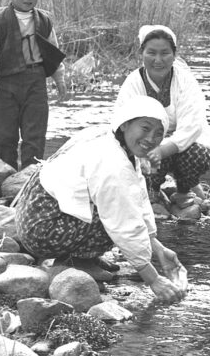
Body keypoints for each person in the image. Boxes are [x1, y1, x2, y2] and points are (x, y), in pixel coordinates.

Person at [14, 96, 187, 305]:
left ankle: (82, 257)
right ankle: (73, 260)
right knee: (116, 214)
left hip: (37, 212)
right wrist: (153, 279)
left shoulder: (111, 137)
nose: (151, 138)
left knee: (122, 204)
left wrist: (158, 248)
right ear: (125, 124)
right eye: (145, 128)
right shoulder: (112, 161)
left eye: (159, 133)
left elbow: (137, 193)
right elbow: (124, 222)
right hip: (41, 228)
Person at [115, 25, 210, 204]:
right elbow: (121, 124)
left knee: (198, 154)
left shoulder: (186, 81)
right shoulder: (132, 83)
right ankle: (151, 190)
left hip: (179, 146)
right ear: (141, 53)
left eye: (165, 53)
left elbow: (192, 127)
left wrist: (161, 150)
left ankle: (184, 189)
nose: (158, 60)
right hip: (145, 144)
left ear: (174, 54)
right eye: (151, 53)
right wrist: (145, 150)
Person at [0, 0, 68, 170]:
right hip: (7, 82)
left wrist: (59, 78)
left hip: (36, 80)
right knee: (4, 132)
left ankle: (31, 171)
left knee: (35, 131)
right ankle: (5, 171)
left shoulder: (44, 21)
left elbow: (52, 52)